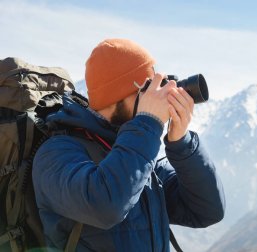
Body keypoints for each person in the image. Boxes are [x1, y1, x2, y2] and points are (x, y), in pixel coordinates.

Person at [32, 38, 225, 251]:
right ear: (118, 95)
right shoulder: (55, 153)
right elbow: (105, 205)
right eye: (148, 89)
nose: (157, 97)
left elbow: (207, 210)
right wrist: (147, 122)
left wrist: (182, 143)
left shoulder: (141, 158)